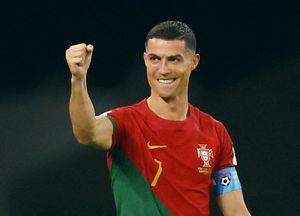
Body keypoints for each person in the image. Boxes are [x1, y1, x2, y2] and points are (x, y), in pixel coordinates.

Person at [65, 20, 251, 216]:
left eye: (174, 59)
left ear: (194, 62)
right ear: (145, 59)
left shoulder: (214, 131)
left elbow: (236, 211)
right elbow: (87, 133)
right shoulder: (125, 122)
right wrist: (78, 79)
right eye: (155, 59)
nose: (163, 70)